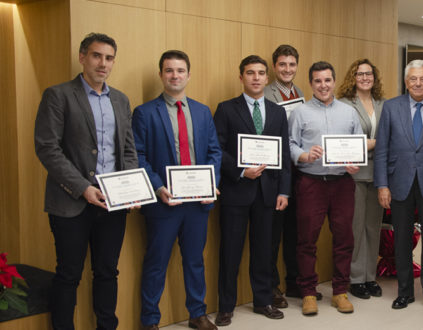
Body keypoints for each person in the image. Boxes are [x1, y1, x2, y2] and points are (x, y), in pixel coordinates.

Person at [34, 32, 138, 330]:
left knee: (107, 272)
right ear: (82, 57)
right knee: (68, 274)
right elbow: (47, 149)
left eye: (108, 58)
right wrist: (83, 188)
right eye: (96, 56)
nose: (102, 64)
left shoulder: (120, 99)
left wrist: (130, 189)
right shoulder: (58, 95)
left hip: (112, 203)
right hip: (70, 202)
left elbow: (128, 149)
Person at [132, 50, 222, 330]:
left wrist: (212, 185)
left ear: (188, 75)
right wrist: (158, 187)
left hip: (198, 203)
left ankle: (197, 313)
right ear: (161, 75)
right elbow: (138, 155)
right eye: (169, 70)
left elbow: (214, 152)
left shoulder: (202, 111)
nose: (175, 76)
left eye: (180, 70)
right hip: (163, 204)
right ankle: (150, 320)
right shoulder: (145, 113)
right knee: (156, 262)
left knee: (195, 260)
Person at [213, 55, 291, 326]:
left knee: (264, 252)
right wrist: (240, 170)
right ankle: (225, 306)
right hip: (236, 190)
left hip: (268, 193)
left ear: (267, 78)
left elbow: (284, 153)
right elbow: (217, 150)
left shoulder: (278, 112)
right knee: (230, 252)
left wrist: (284, 191)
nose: (256, 78)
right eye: (250, 73)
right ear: (241, 77)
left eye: (260, 73)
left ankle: (263, 300)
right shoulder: (226, 109)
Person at [289, 61, 363, 315]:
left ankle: (340, 292)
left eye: (327, 80)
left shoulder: (349, 112)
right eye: (318, 81)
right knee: (306, 239)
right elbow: (289, 144)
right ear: (311, 84)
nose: (323, 85)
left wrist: (355, 164)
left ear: (334, 81)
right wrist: (304, 155)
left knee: (344, 238)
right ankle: (308, 292)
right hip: (311, 183)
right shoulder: (300, 112)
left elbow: (356, 145)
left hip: (342, 183)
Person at [374, 59, 423, 312]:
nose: (417, 83)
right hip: (399, 183)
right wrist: (382, 185)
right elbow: (381, 149)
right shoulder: (391, 107)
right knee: (401, 240)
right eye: (413, 79)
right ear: (406, 81)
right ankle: (404, 292)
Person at [263, 44, 315, 303]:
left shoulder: (301, 93)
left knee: (296, 232)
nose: (287, 69)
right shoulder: (266, 92)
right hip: (274, 172)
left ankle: (295, 282)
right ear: (274, 67)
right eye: (282, 64)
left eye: (292, 64)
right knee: (273, 234)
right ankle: (272, 287)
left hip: (299, 171)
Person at [336, 59, 386, 300]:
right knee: (355, 228)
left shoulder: (382, 104)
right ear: (352, 77)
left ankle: (370, 277)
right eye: (360, 74)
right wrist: (377, 143)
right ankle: (355, 279)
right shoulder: (344, 105)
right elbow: (343, 140)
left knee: (373, 228)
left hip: (378, 174)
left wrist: (374, 144)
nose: (365, 77)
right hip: (354, 174)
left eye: (369, 73)